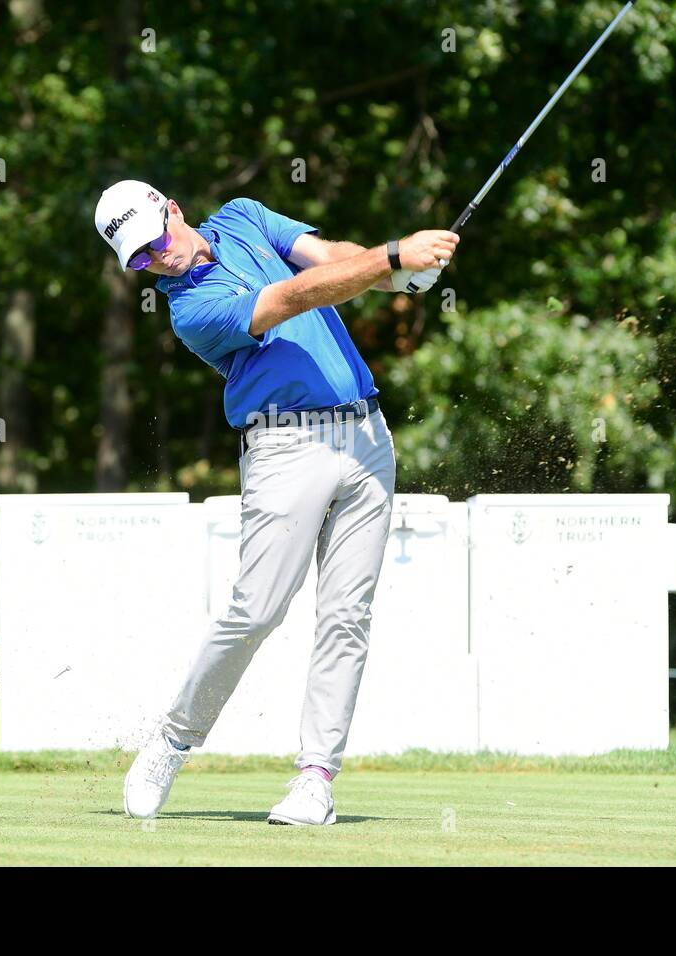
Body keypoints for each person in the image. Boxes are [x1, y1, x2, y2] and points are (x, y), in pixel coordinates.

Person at [94, 179, 459, 825]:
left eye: (155, 242)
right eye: (140, 261)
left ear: (172, 210)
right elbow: (292, 296)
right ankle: (174, 740)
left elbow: (330, 257)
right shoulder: (190, 310)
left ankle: (315, 779)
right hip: (286, 449)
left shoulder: (242, 217)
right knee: (257, 609)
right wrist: (396, 257)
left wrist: (393, 278)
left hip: (369, 437)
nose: (157, 261)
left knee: (347, 616)